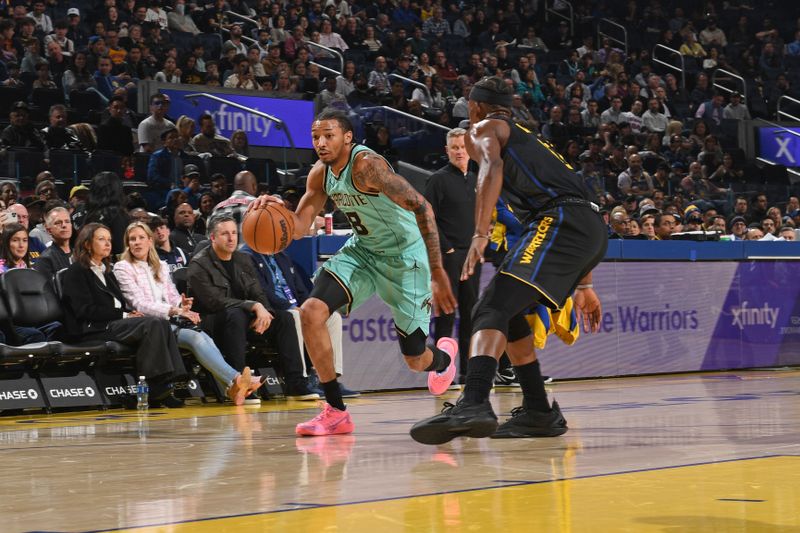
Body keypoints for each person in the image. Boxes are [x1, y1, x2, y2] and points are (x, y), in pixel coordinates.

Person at [410, 76, 607, 444]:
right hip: (585, 225)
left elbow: (491, 169)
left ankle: (474, 401)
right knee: (510, 313)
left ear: (474, 106)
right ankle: (538, 411)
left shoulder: (484, 127)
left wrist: (480, 234)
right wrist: (585, 283)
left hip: (561, 222)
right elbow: (582, 198)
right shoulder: (530, 138)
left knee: (489, 307)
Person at [248, 108, 457, 436]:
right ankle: (335, 410)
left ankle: (443, 359)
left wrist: (437, 271)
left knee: (416, 359)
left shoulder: (367, 167)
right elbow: (300, 226)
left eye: (328, 135)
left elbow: (422, 207)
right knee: (311, 312)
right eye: (316, 136)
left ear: (348, 137)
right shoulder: (320, 174)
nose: (321, 142)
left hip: (405, 259)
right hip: (364, 252)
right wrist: (277, 209)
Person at [114, 222, 261, 405]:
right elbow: (139, 303)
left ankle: (233, 387)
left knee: (205, 337)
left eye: (141, 238)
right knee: (196, 339)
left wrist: (182, 306)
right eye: (132, 239)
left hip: (170, 319)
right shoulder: (123, 267)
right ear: (127, 243)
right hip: (150, 325)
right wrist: (173, 310)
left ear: (150, 241)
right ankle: (236, 380)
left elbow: (171, 295)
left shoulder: (160, 265)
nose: (137, 242)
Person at [187, 215, 317, 402]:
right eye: (225, 234)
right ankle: (242, 385)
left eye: (233, 233)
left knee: (285, 319)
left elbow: (258, 292)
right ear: (213, 238)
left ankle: (295, 383)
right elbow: (214, 302)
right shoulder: (199, 264)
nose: (231, 238)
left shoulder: (243, 259)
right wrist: (253, 306)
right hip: (213, 321)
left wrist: (265, 311)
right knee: (236, 315)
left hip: (243, 317)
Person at [60, 223, 187, 407]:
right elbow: (84, 310)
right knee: (151, 324)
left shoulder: (107, 271)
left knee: (161, 323)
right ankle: (156, 387)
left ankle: (169, 381)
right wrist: (124, 315)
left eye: (109, 240)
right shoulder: (77, 272)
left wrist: (129, 314)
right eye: (101, 239)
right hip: (92, 328)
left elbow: (117, 304)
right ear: (87, 244)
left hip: (114, 323)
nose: (107, 244)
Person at [424, 128, 478, 383]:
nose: (459, 151)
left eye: (462, 146)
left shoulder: (478, 179)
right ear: (447, 151)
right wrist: (447, 249)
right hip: (448, 257)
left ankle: (467, 373)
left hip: (472, 258)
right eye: (454, 147)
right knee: (445, 316)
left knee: (470, 315)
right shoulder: (438, 180)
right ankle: (442, 370)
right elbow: (426, 219)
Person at [34, 206, 73, 280]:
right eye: (58, 223)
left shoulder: (80, 255)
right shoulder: (45, 260)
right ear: (49, 230)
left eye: (67, 221)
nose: (64, 225)